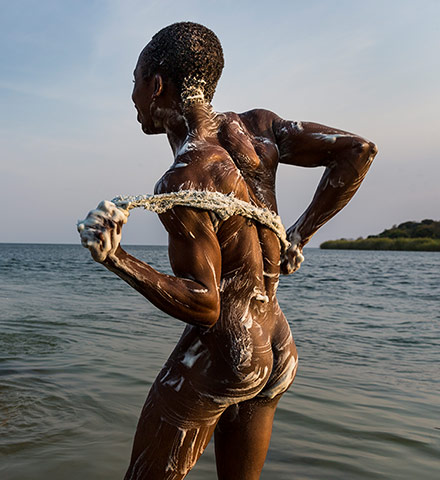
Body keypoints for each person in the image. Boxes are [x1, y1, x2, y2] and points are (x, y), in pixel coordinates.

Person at [78, 22, 376, 480]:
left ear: (157, 86)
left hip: (228, 351)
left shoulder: (184, 179)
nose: (133, 96)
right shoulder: (259, 128)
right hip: (278, 346)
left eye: (135, 81)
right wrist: (299, 233)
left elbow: (204, 303)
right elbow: (357, 151)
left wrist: (115, 257)